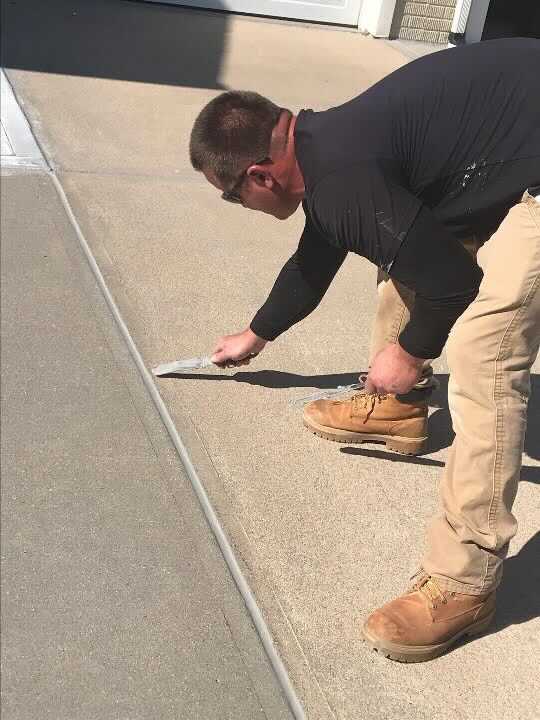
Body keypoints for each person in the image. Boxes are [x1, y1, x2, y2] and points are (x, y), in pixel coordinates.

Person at [189, 37, 540, 662]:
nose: (239, 206)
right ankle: (400, 409)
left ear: (260, 175)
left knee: (485, 348)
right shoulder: (325, 147)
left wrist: (410, 351)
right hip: (511, 137)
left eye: (231, 195)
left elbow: (452, 282)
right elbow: (317, 256)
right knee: (400, 241)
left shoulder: (342, 180)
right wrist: (257, 333)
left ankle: (465, 581)